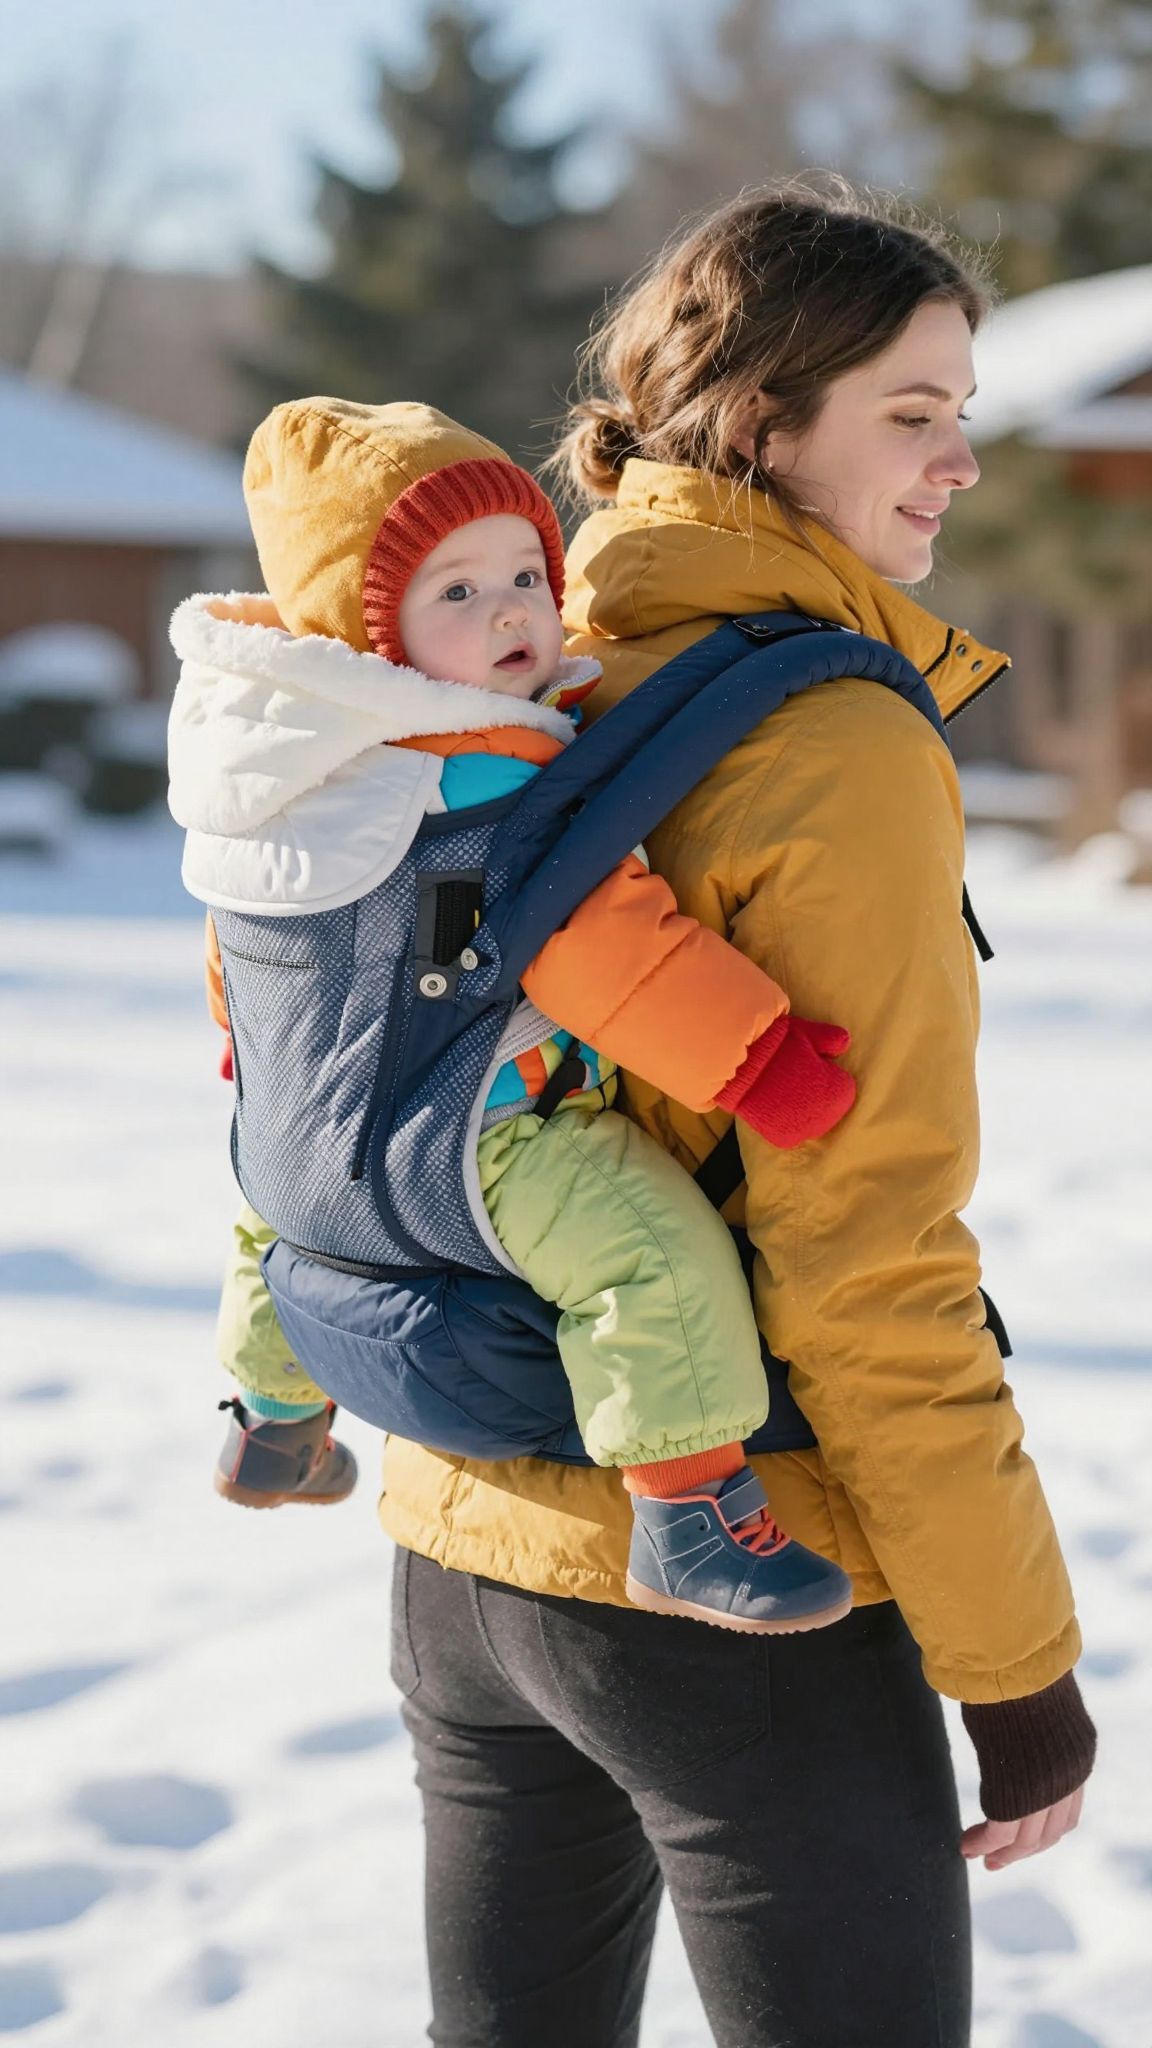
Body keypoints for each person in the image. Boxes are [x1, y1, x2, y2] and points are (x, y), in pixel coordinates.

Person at [374, 183, 1098, 2047]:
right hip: (731, 1585)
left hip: (469, 1547)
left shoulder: (533, 655)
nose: (953, 460)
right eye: (908, 413)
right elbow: (863, 1251)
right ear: (764, 421)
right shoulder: (830, 743)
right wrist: (1014, 1665)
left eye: (962, 411)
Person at [169, 394, 861, 1633]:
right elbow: (612, 954)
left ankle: (272, 1424)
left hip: (292, 1130)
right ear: (365, 633)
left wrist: (263, 1063)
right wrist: (761, 1064)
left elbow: (243, 952)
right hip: (477, 1136)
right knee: (648, 1254)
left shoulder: (272, 774)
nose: (510, 611)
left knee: (271, 1228)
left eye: (528, 572)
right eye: (454, 593)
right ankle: (692, 1512)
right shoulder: (482, 781)